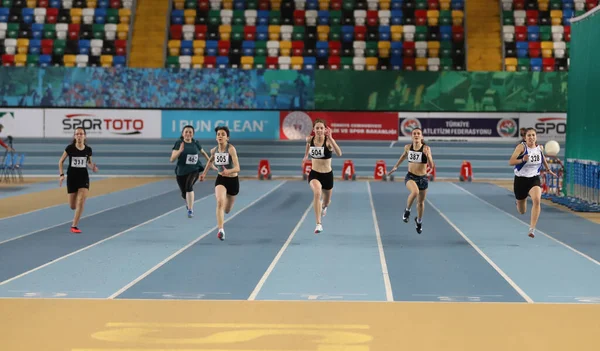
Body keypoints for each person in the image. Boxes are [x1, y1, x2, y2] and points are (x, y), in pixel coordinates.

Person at [509, 128, 557, 238]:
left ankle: (532, 229)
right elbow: (511, 161)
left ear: (536, 137)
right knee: (522, 211)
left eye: (533, 135)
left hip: (534, 178)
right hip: (520, 180)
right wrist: (522, 160)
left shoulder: (540, 148)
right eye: (529, 135)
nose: (531, 137)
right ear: (525, 138)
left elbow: (542, 158)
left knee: (537, 199)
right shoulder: (521, 147)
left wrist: (548, 169)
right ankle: (518, 201)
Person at [387, 128, 434, 234]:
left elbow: (431, 166)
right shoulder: (408, 147)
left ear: (421, 137)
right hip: (410, 177)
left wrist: (428, 156)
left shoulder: (426, 148)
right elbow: (403, 156)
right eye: (414, 134)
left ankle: (419, 221)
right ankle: (407, 210)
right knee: (415, 192)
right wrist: (396, 166)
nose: (416, 135)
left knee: (421, 203)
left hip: (423, 178)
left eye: (418, 134)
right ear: (412, 136)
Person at [199, 126, 240, 241]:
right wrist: (204, 174)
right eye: (218, 134)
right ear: (216, 137)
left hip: (233, 180)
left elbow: (238, 167)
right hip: (221, 179)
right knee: (220, 201)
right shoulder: (214, 150)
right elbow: (210, 161)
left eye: (223, 134)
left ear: (227, 137)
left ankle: (225, 206)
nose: (220, 136)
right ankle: (221, 230)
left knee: (227, 210)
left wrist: (229, 171)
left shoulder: (231, 149)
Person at [302, 119, 342, 234]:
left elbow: (339, 153)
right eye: (317, 128)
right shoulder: (310, 139)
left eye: (321, 128)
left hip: (328, 176)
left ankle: (324, 207)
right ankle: (318, 224)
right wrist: (305, 156)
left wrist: (331, 138)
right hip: (315, 174)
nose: (319, 130)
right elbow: (308, 144)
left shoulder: (328, 142)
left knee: (326, 202)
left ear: (325, 130)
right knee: (317, 193)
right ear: (314, 130)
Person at [58, 127, 98, 234]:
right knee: (72, 206)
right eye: (77, 134)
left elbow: (89, 162)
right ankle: (77, 209)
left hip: (83, 177)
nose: (79, 136)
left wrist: (92, 167)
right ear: (75, 136)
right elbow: (60, 161)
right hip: (72, 178)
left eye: (81, 134)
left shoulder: (88, 150)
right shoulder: (70, 148)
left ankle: (74, 226)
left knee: (81, 200)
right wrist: (61, 175)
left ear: (85, 136)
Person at [169, 125, 211, 218]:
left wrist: (210, 162)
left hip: (194, 169)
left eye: (190, 132)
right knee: (184, 194)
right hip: (181, 171)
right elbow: (172, 159)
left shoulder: (196, 142)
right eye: (186, 132)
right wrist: (179, 151)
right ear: (182, 133)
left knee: (189, 186)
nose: (188, 133)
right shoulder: (179, 143)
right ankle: (188, 203)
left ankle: (190, 209)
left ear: (193, 134)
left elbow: (203, 153)